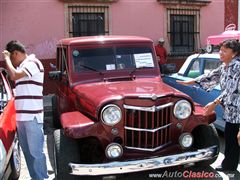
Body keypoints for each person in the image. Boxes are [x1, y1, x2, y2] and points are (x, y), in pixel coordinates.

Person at [176, 39, 240, 171]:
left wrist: (214, 103)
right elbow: (211, 76)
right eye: (220, 50)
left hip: (238, 111)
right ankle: (230, 165)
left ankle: (230, 165)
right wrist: (191, 82)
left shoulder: (237, 67)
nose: (220, 53)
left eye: (224, 51)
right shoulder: (225, 66)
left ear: (234, 53)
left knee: (234, 139)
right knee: (232, 139)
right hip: (231, 111)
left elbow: (232, 90)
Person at [2, 40, 48, 179]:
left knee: (36, 153)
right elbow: (11, 76)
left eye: (11, 58)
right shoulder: (22, 67)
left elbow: (14, 75)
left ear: (15, 53)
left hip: (32, 118)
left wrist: (5, 58)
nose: (11, 62)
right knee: (28, 154)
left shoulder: (33, 62)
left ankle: (41, 178)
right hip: (22, 118)